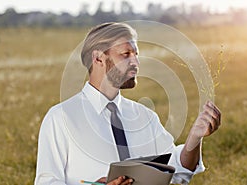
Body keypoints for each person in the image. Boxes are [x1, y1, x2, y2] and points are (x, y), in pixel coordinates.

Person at [34, 22, 221, 185]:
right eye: (126, 54)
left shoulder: (144, 116)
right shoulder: (61, 118)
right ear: (98, 58)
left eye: (136, 54)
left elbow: (178, 170)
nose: (136, 62)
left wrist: (195, 138)